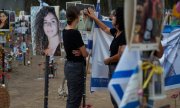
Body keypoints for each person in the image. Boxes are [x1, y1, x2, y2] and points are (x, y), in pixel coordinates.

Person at [86, 7, 126, 108]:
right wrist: (94, 18)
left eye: (114, 15)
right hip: (113, 69)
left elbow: (121, 55)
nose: (112, 17)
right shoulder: (117, 32)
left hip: (117, 69)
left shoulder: (124, 35)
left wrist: (108, 60)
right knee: (114, 98)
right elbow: (104, 28)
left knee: (118, 98)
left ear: (120, 19)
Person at [62, 6, 88, 108]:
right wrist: (82, 52)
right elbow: (85, 53)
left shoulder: (65, 30)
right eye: (80, 14)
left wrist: (81, 52)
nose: (81, 17)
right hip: (76, 68)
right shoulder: (75, 33)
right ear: (76, 17)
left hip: (69, 66)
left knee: (72, 97)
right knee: (75, 99)